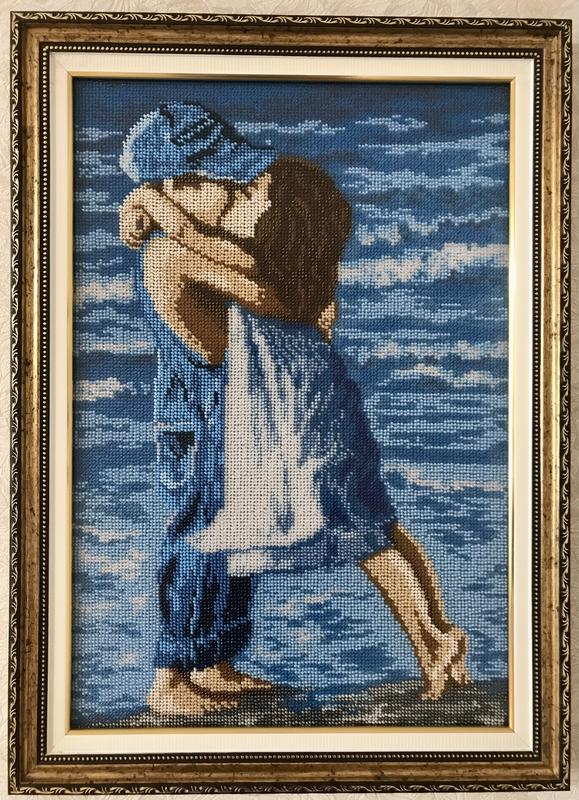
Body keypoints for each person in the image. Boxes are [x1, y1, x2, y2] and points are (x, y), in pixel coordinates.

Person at [119, 102, 471, 716]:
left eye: (239, 185)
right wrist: (170, 216)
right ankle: (173, 676)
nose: (240, 195)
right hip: (201, 407)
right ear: (178, 187)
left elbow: (291, 291)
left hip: (241, 398)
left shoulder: (203, 238)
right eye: (223, 186)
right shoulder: (172, 253)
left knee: (234, 532)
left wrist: (172, 213)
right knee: (202, 531)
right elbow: (279, 296)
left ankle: (214, 663)